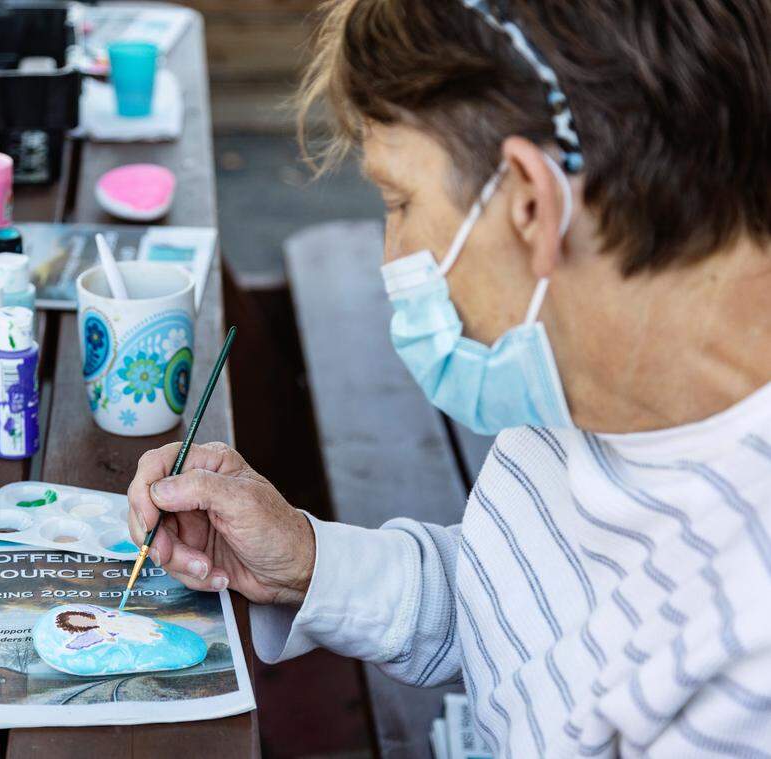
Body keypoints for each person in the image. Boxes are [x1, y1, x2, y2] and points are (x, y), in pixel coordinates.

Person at [126, 1, 771, 756]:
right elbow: (508, 610)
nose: (389, 253)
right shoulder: (587, 372)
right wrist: (303, 558)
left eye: (399, 201)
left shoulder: (746, 643)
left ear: (531, 203)